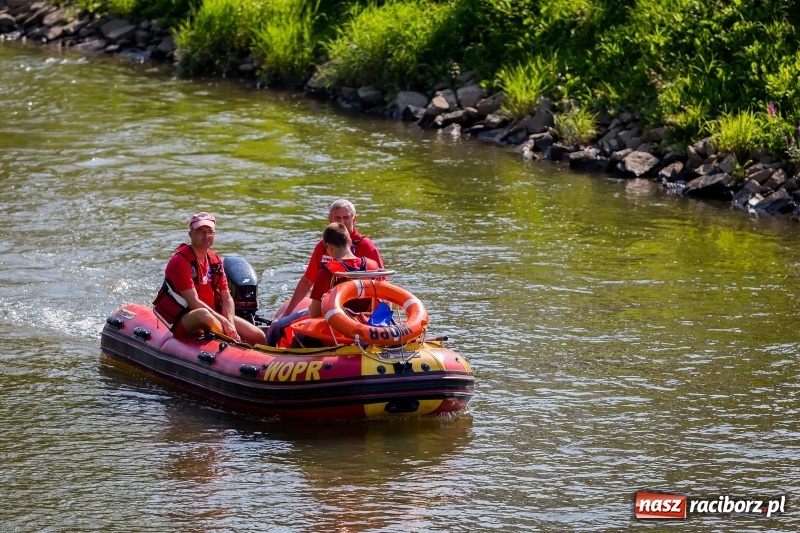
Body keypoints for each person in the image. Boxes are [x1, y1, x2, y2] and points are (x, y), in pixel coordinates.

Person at [152, 212, 266, 345]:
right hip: (185, 317)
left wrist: (230, 322)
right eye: (201, 231)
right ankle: (230, 343)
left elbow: (226, 297)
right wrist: (224, 323)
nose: (206, 236)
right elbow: (193, 302)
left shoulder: (215, 260)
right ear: (191, 234)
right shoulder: (180, 262)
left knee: (259, 336)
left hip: (215, 315)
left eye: (210, 232)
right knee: (204, 315)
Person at [276, 199, 383, 319]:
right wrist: (287, 312)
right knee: (284, 320)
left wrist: (379, 322)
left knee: (278, 326)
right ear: (330, 219)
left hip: (356, 316)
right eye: (337, 218)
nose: (342, 222)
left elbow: (382, 285)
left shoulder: (366, 246)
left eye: (346, 217)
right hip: (329, 313)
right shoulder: (321, 246)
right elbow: (307, 280)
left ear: (354, 219)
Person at [307, 222, 381, 318]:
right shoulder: (372, 267)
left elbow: (314, 313)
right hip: (368, 324)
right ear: (350, 242)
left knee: (282, 326)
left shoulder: (327, 271)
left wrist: (310, 308)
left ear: (328, 246)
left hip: (335, 329)